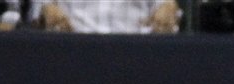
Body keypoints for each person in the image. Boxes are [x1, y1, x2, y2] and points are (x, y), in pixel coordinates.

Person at [28, 0, 182, 34]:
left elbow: (167, 8)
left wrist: (168, 7)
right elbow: (40, 9)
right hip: (74, 50)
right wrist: (46, 8)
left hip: (136, 54)